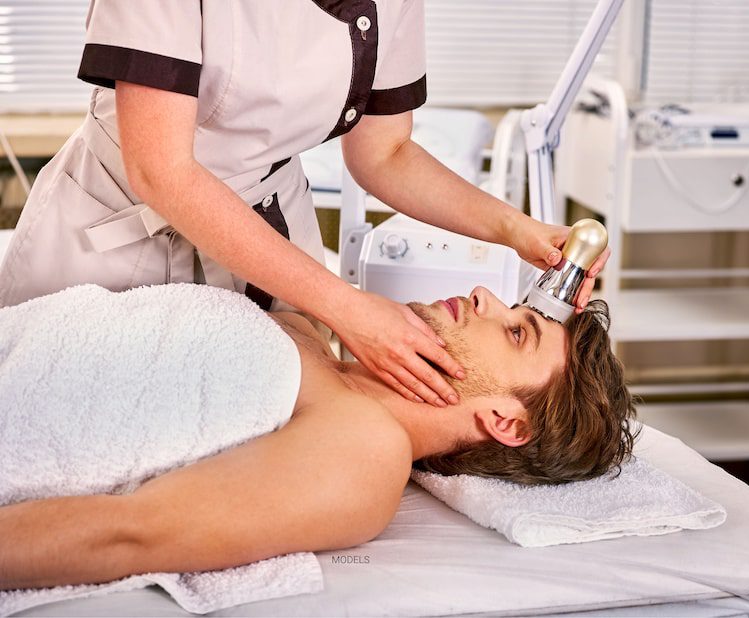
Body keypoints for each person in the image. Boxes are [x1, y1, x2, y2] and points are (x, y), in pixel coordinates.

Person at [0, 1, 609, 409]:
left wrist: (515, 228)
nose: (485, 300)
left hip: (269, 238)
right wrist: (346, 309)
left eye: (517, 331)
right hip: (119, 229)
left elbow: (385, 154)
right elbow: (162, 170)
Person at [0, 284, 636, 590]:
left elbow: (132, 531)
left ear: (505, 421)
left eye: (514, 332)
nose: (484, 295)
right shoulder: (324, 352)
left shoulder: (368, 452)